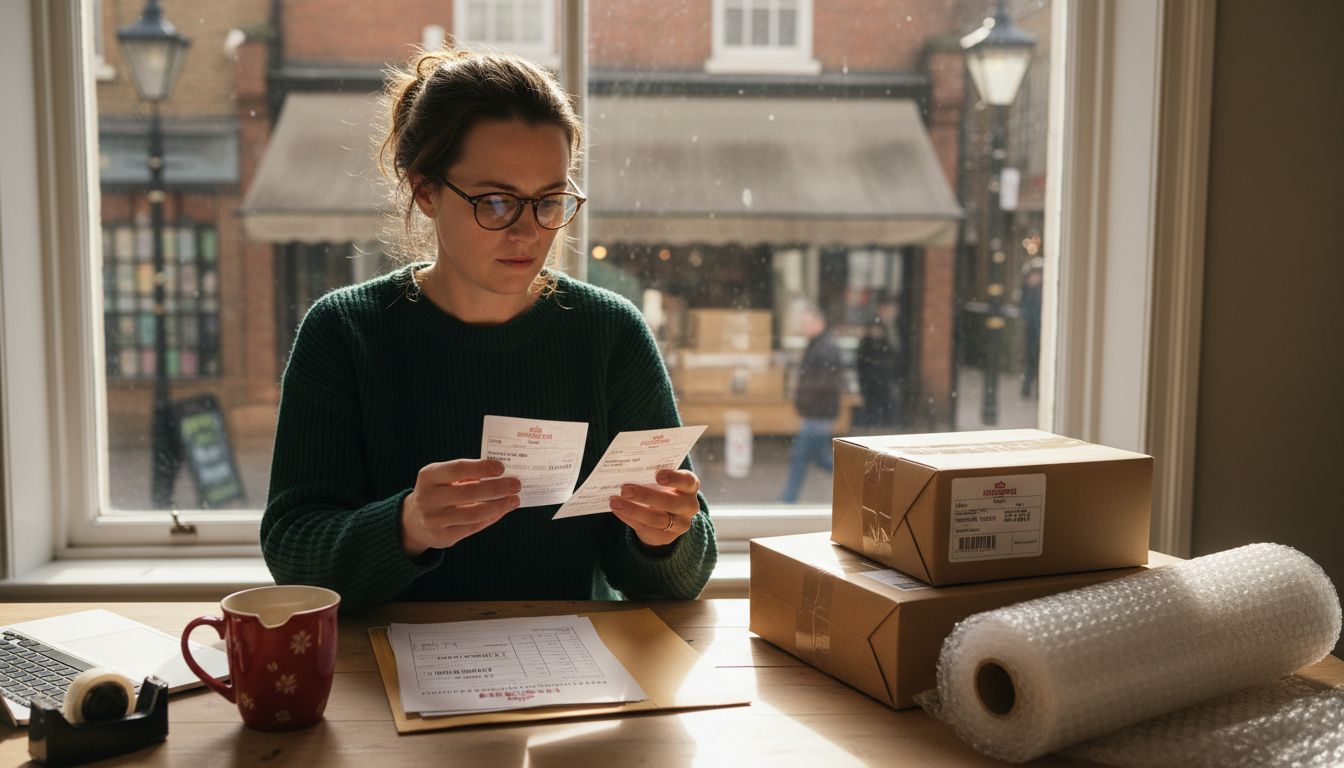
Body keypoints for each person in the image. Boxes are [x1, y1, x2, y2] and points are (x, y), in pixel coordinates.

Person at [261, 49, 716, 611]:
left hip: (569, 658)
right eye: (496, 202)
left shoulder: (610, 334)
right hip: (383, 659)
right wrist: (408, 525)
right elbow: (292, 552)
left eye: (549, 201)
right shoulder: (345, 332)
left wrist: (661, 537)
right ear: (425, 190)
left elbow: (682, 580)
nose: (528, 232)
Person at [779, 305, 844, 503]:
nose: (803, 327)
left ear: (819, 324)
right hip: (816, 413)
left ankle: (788, 500)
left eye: (807, 323)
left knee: (800, 457)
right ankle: (853, 477)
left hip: (818, 414)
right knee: (819, 458)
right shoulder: (817, 345)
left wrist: (806, 399)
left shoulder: (825, 348)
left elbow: (826, 382)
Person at [854, 299, 901, 429]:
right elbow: (871, 353)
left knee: (881, 404)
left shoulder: (889, 326)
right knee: (876, 405)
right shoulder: (876, 326)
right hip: (875, 377)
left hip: (881, 376)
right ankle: (877, 425)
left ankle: (880, 424)